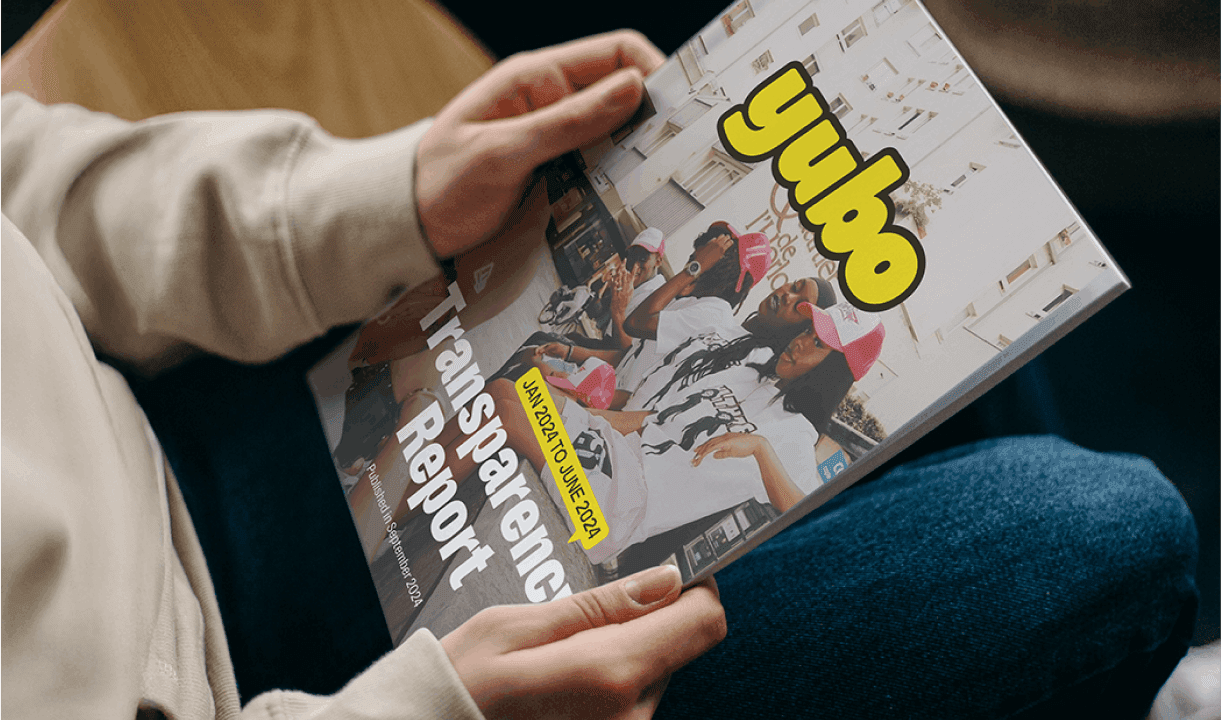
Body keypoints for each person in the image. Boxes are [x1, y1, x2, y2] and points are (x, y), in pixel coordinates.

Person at [0, 29, 1199, 720]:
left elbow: (23, 179)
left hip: (182, 402)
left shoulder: (722, 341)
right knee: (1104, 539)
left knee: (966, 336)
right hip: (264, 690)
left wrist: (373, 199)